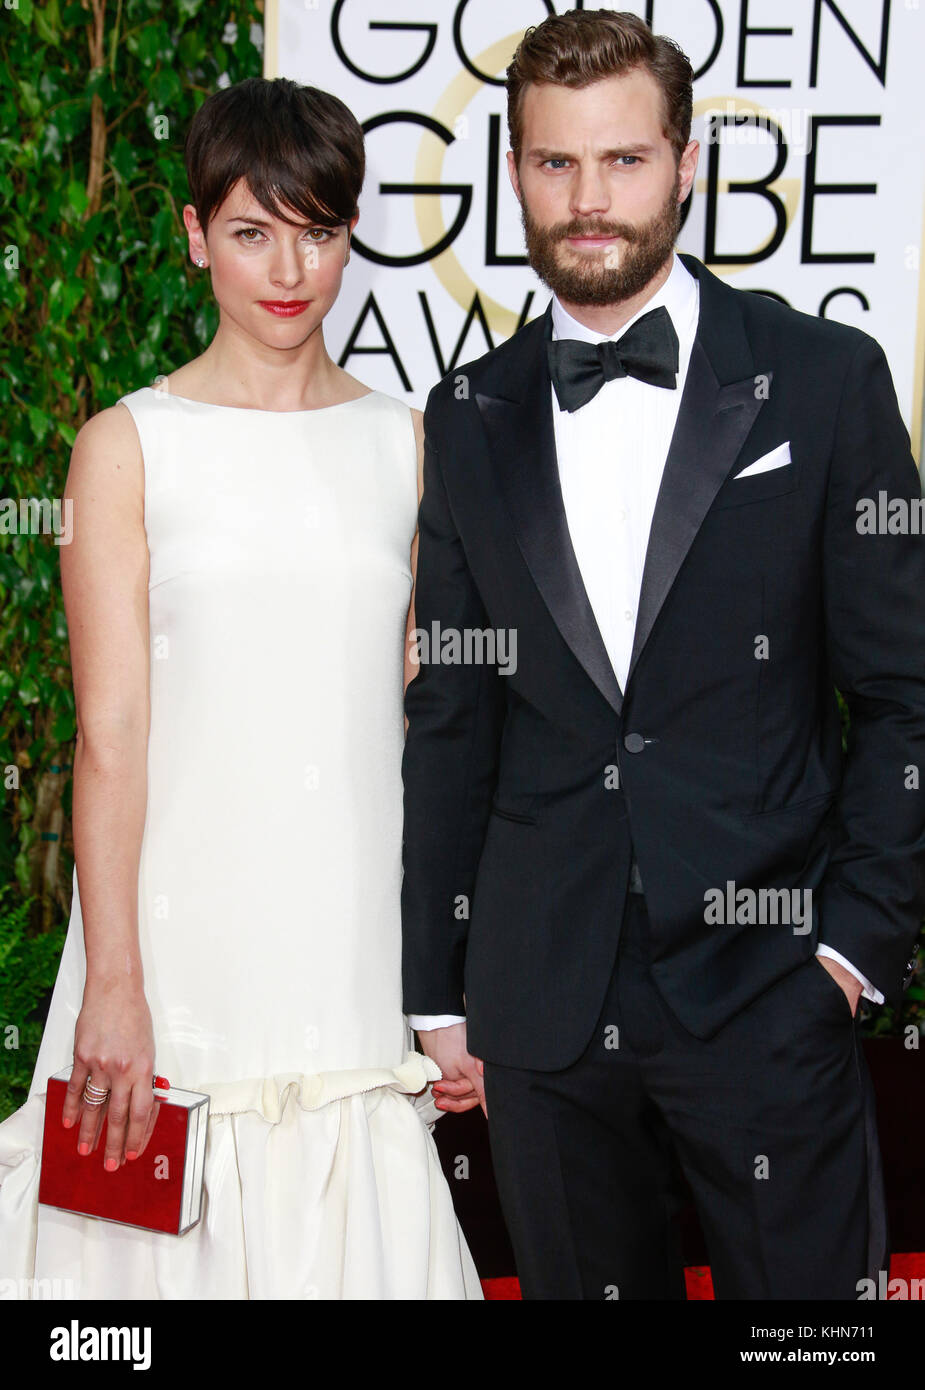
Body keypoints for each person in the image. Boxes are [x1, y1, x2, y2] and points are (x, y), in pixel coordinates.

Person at [401, 9, 925, 1299]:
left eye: (624, 161)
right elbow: (455, 716)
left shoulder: (822, 379)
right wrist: (435, 990)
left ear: (688, 166)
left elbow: (906, 695)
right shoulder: (468, 417)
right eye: (554, 164)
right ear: (513, 173)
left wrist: (849, 949)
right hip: (539, 1003)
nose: (589, 202)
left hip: (765, 981)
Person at [0, 75, 481, 1300]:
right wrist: (115, 983)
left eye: (317, 231)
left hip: (351, 948)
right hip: (176, 952)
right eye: (253, 231)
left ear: (349, 237)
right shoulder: (128, 446)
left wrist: (449, 983)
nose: (288, 268)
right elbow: (108, 738)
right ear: (195, 234)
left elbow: (437, 727)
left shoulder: (405, 442)